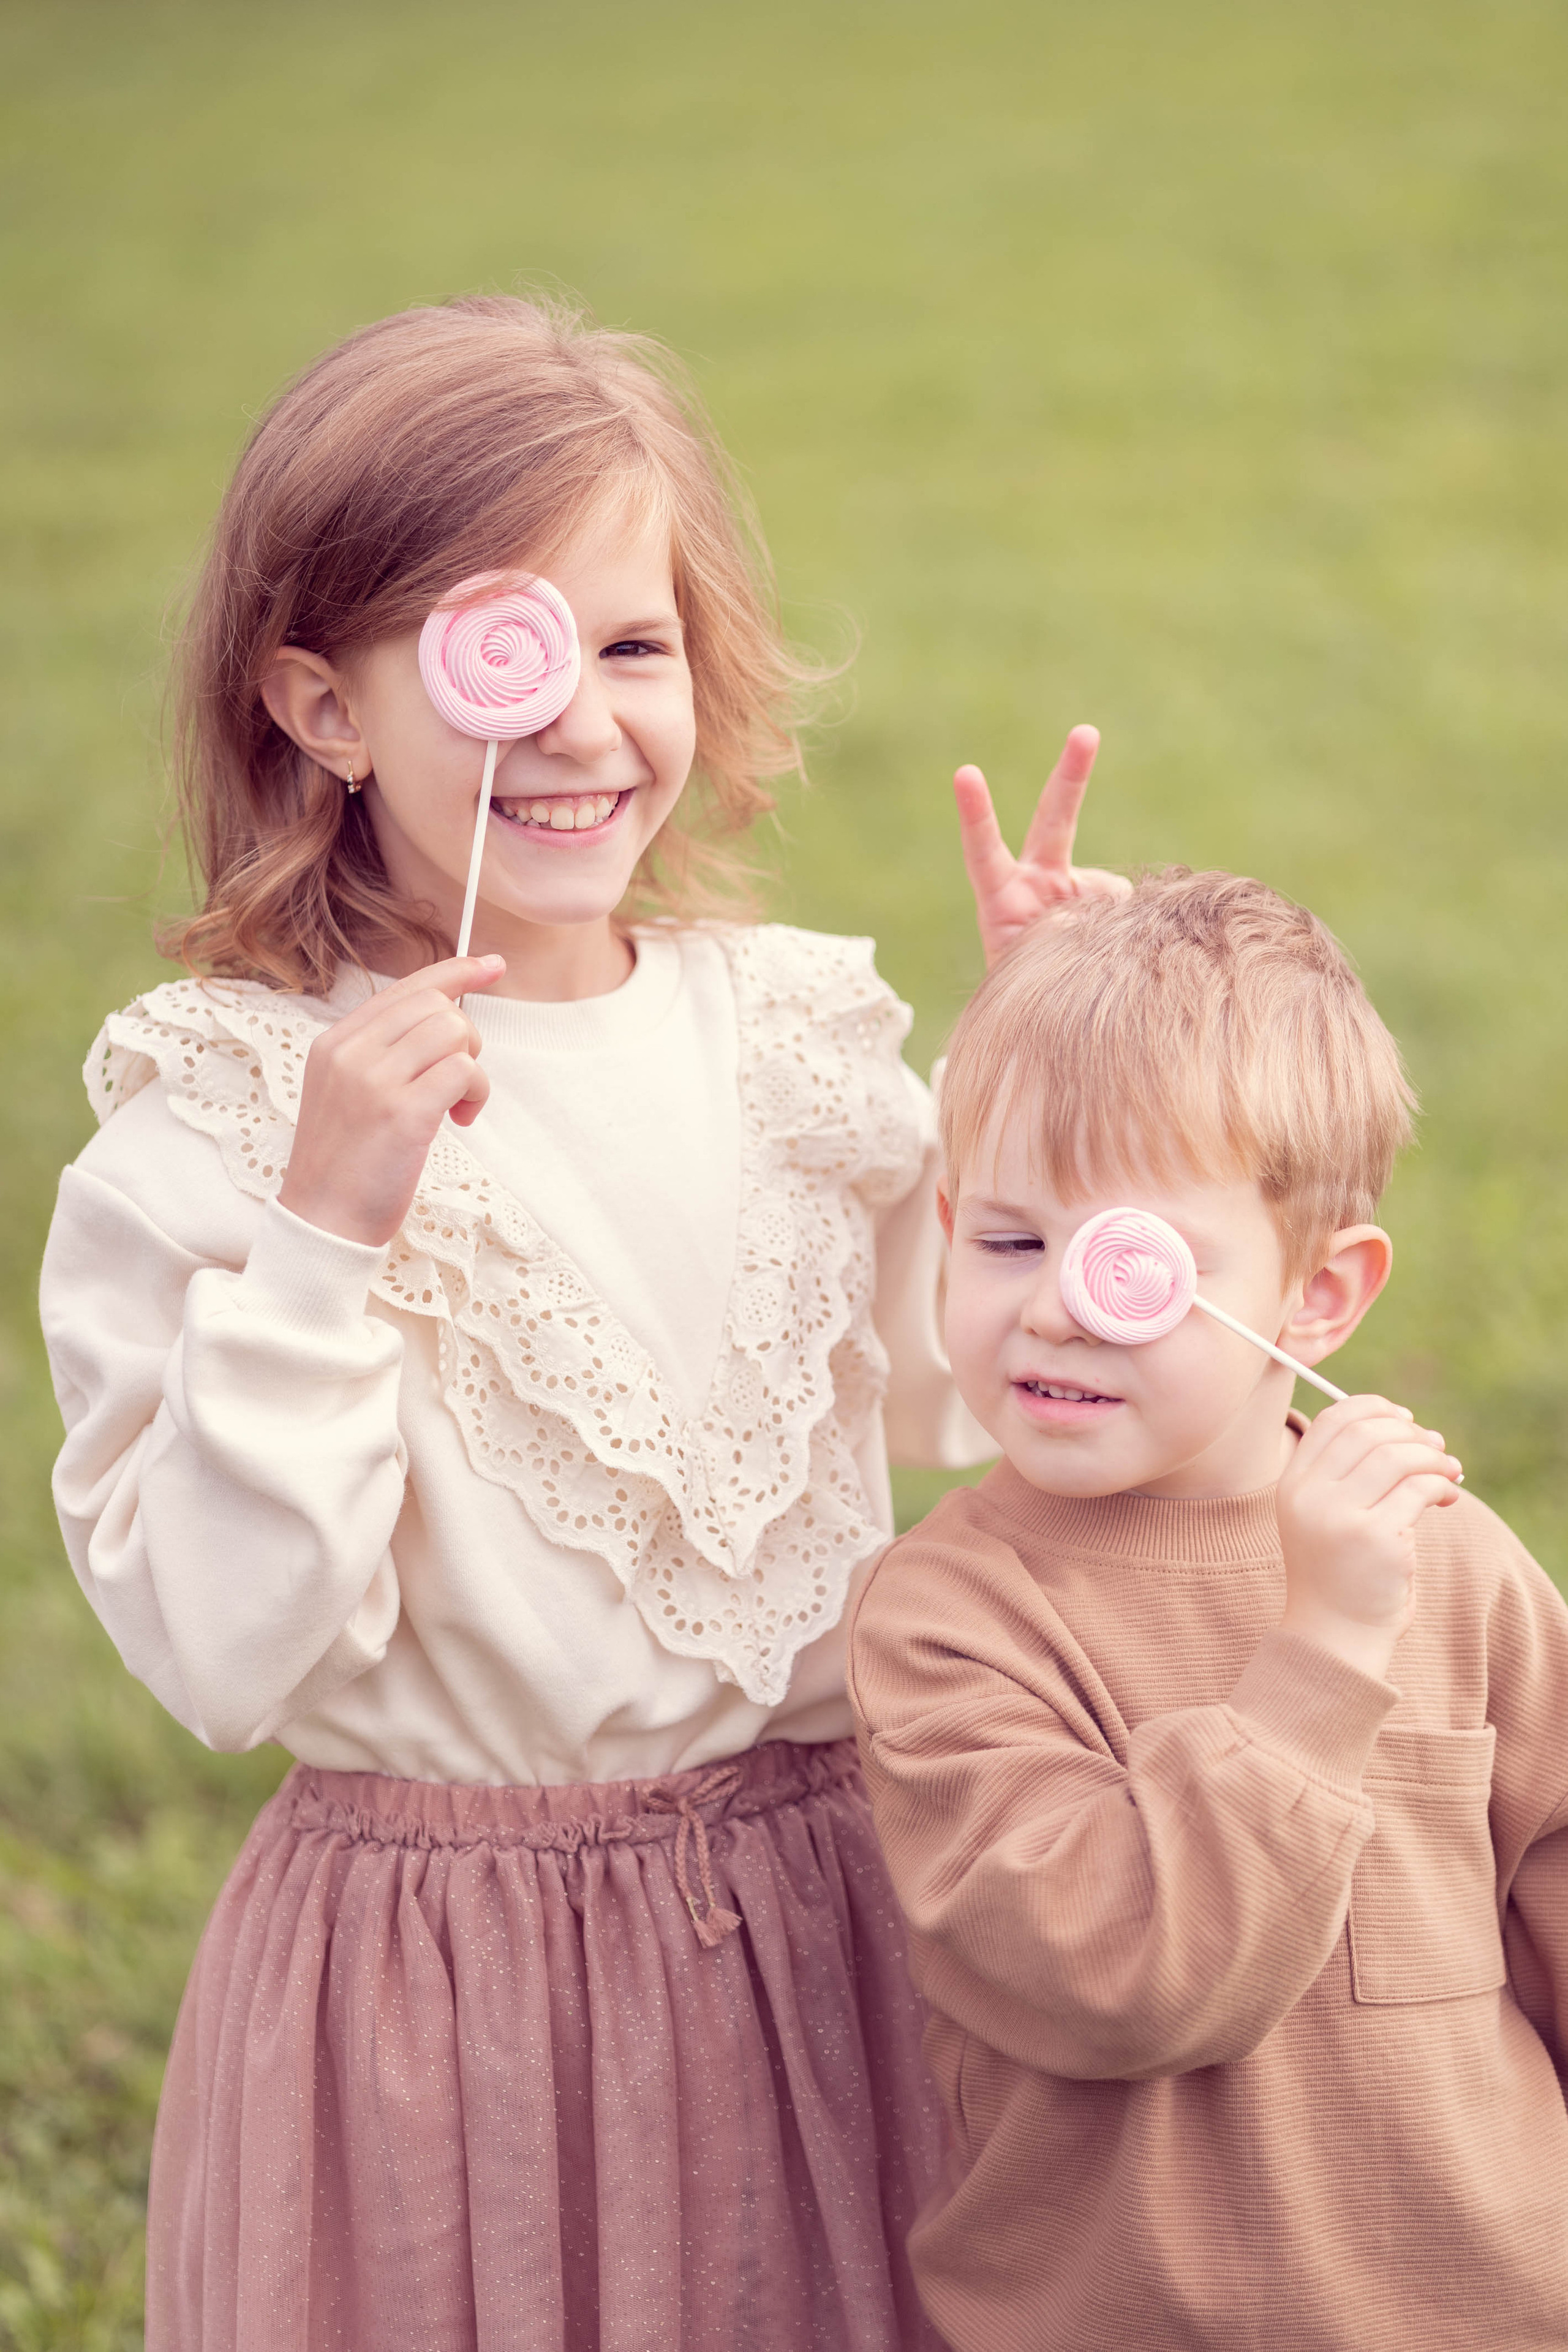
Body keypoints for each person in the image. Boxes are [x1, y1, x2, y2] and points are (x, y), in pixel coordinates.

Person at [38, 292, 1122, 2352]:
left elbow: (991, 1404)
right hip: (442, 2008)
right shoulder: (216, 1128)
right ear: (323, 704)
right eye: (496, 654)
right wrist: (328, 1239)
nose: (581, 724)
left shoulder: (796, 1047)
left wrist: (1030, 1095)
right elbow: (224, 1647)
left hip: (830, 1948)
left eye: (634, 647)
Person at [848, 867, 1568, 2352]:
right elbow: (1115, 1978)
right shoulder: (946, 1621)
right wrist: (1313, 1662)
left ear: (1313, 1298)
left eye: (1134, 1269)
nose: (1050, 1306)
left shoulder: (1443, 1555)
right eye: (1003, 1241)